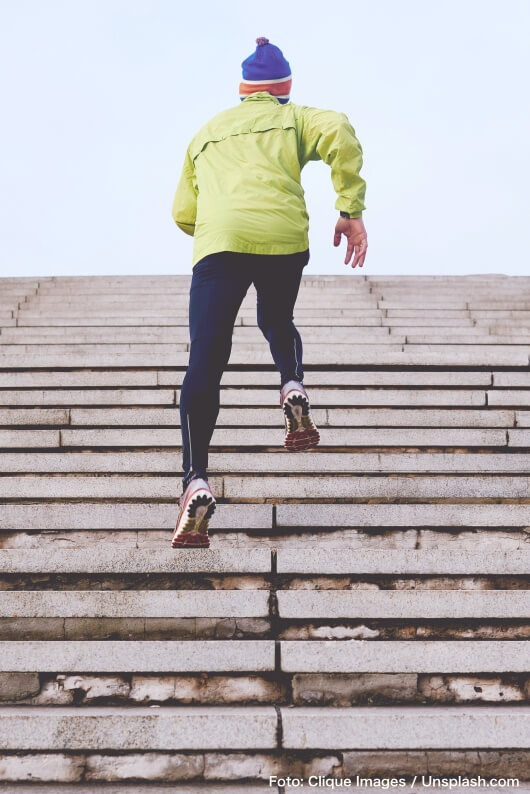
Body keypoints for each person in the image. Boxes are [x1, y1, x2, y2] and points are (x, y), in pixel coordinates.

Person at [170, 37, 367, 548]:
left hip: (220, 245)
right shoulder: (295, 117)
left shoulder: (205, 133)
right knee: (276, 320)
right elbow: (339, 130)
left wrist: (221, 225)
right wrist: (349, 208)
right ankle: (291, 385)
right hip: (282, 238)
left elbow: (182, 213)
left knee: (206, 360)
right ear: (284, 88)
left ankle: (195, 479)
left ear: (242, 89)